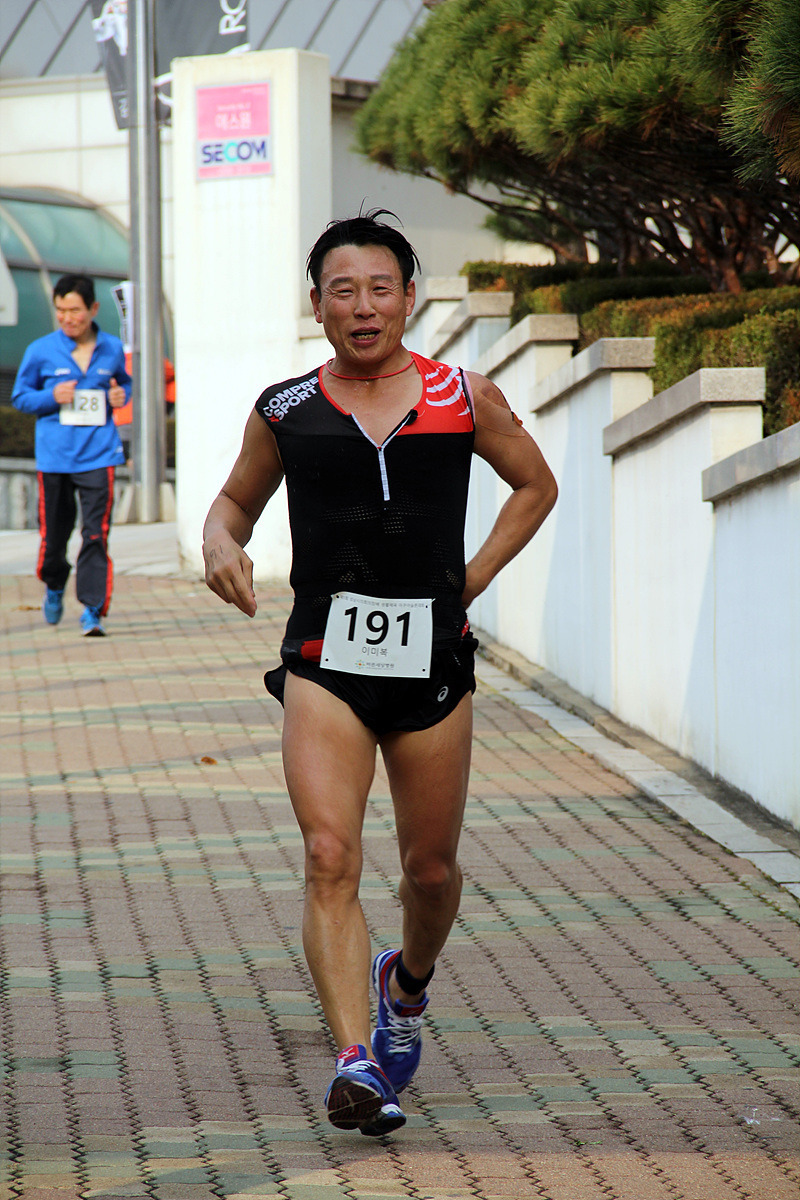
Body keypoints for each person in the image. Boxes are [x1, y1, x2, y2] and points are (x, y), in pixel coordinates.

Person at [203, 211, 558, 1135]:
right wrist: (217, 540)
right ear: (316, 304)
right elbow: (235, 501)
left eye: (379, 289)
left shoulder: (460, 395)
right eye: (343, 291)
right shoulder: (285, 409)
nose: (362, 307)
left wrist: (470, 581)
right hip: (324, 658)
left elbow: (536, 485)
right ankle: (356, 1060)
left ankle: (406, 985)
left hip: (432, 660)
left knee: (429, 872)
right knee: (329, 855)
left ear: (408, 298)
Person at [12, 273, 130, 636]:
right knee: (54, 537)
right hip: (55, 458)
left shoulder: (111, 348)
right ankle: (54, 583)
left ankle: (92, 610)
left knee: (95, 534)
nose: (67, 318)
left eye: (74, 310)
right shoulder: (40, 350)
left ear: (93, 309)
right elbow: (20, 397)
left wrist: (120, 396)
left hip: (99, 455)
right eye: (60, 310)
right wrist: (52, 396)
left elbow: (124, 384)